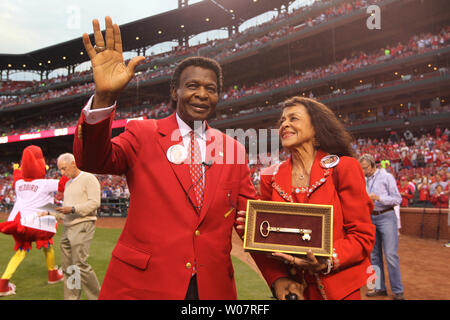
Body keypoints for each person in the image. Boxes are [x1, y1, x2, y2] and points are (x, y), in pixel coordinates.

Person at [72, 16, 255, 299]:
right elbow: (93, 160)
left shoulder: (234, 150)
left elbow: (251, 222)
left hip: (211, 288)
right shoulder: (143, 133)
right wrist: (104, 97)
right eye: (193, 86)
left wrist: (281, 273)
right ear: (175, 91)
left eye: (211, 89)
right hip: (145, 286)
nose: (202, 94)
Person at [252, 96, 376, 300]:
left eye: (294, 118)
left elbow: (362, 236)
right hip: (295, 292)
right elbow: (267, 241)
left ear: (316, 128)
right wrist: (254, 229)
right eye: (282, 120)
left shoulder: (344, 167)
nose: (285, 124)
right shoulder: (269, 178)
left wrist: (327, 259)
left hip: (339, 291)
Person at [0, 145, 64, 297]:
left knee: (20, 253)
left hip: (20, 224)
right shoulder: (45, 183)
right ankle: (53, 275)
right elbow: (63, 185)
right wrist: (67, 171)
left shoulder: (20, 184)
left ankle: (3, 283)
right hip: (40, 224)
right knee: (47, 246)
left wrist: (16, 169)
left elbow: (16, 178)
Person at [48, 153, 101, 300]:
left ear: (74, 163)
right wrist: (49, 213)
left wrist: (73, 209)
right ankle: (72, 298)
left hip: (83, 224)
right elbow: (66, 210)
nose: (62, 173)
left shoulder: (89, 178)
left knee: (79, 264)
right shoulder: (68, 183)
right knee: (69, 267)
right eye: (60, 170)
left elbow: (94, 203)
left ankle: (97, 297)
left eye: (64, 169)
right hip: (68, 226)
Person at [358, 153, 405, 300]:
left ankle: (398, 291)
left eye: (365, 168)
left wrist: (378, 198)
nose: (363, 171)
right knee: (373, 255)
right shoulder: (363, 179)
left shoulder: (387, 177)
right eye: (362, 169)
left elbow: (397, 199)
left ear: (373, 165)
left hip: (386, 216)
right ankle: (378, 288)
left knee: (391, 255)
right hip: (370, 217)